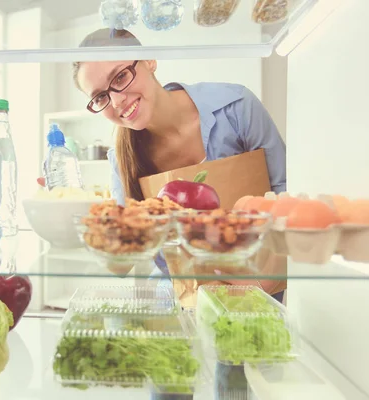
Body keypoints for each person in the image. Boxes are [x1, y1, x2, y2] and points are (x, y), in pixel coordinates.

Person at [39, 28, 287, 301]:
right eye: (100, 97)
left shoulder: (236, 107)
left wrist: (258, 282)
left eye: (120, 76)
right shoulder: (120, 160)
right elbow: (122, 262)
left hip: (259, 296)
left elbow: (286, 194)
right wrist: (75, 216)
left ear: (149, 61)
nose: (117, 100)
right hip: (178, 303)